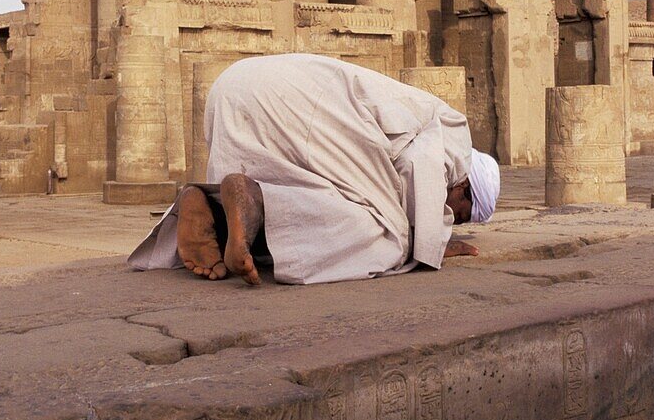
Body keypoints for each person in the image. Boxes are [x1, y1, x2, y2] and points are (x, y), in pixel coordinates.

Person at [129, 53, 500, 286]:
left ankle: (212, 212)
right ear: (465, 187)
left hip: (237, 83)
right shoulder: (453, 139)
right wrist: (430, 241)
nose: (448, 216)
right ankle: (254, 200)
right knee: (382, 236)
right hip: (289, 104)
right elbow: (419, 166)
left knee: (319, 194)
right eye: (458, 213)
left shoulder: (426, 113)